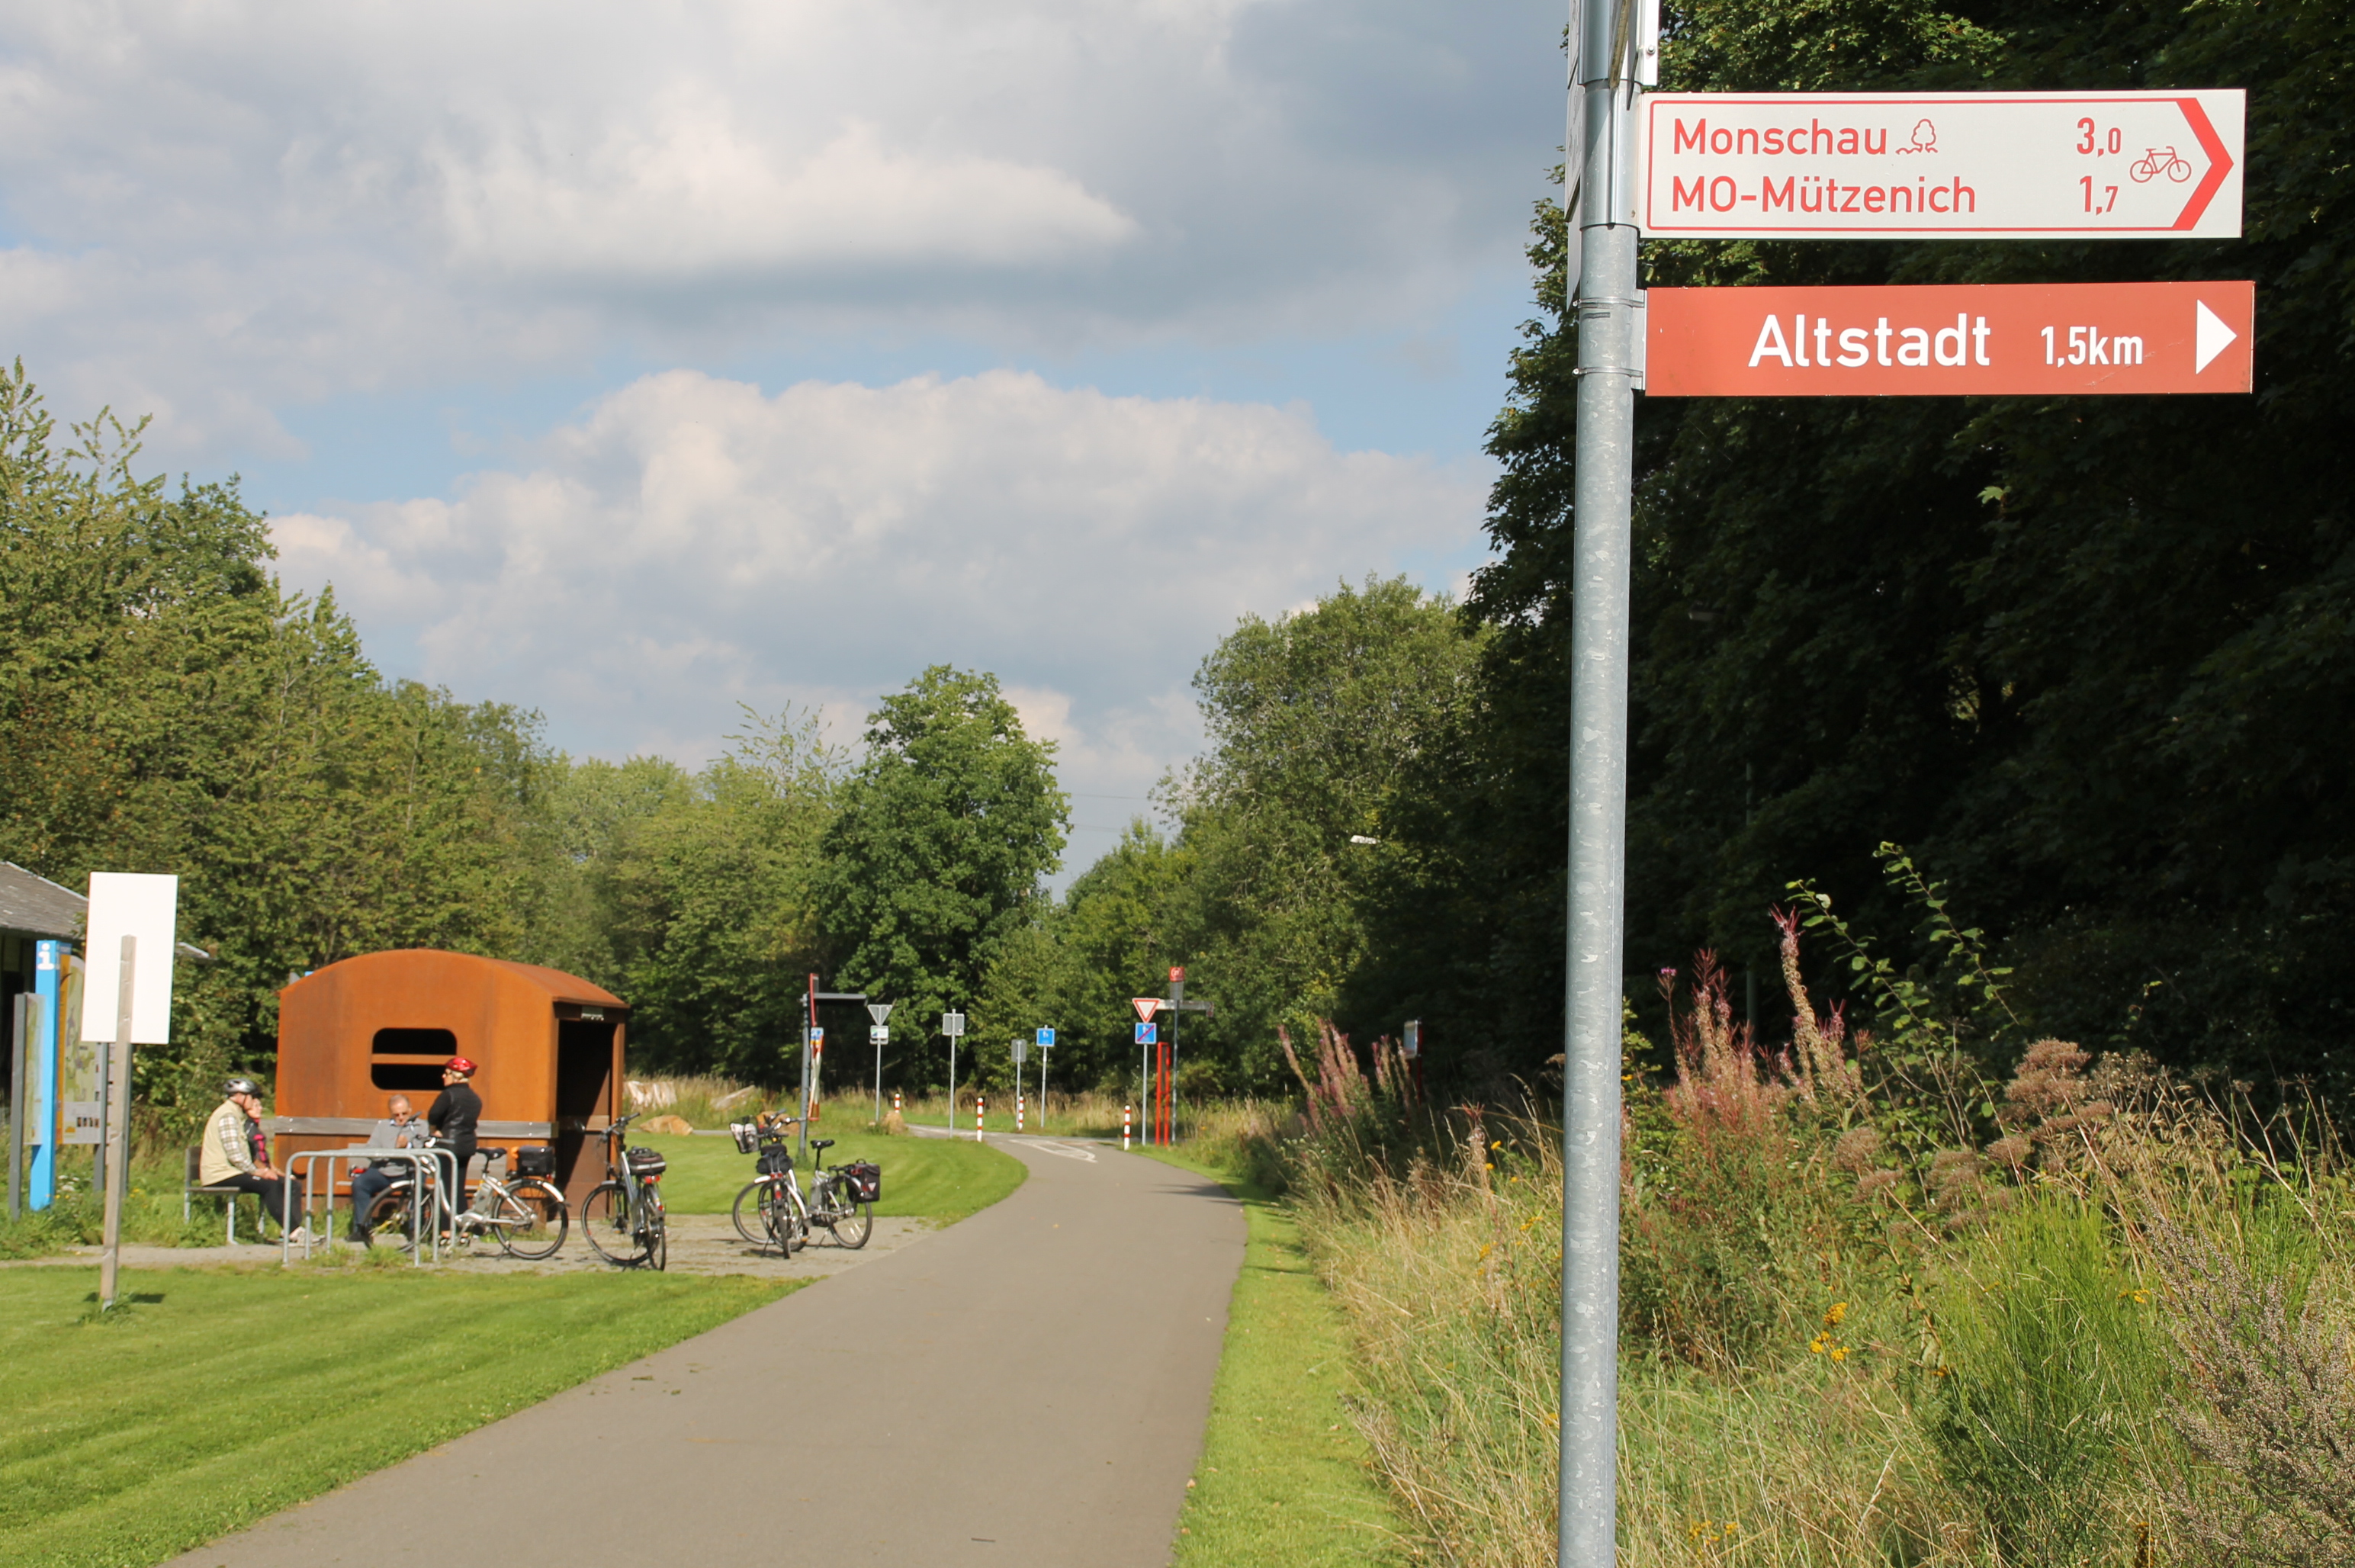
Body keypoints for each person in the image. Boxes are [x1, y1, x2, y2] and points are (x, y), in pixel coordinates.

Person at [200, 1078, 310, 1243]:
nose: (253, 1101)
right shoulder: (228, 1116)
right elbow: (234, 1154)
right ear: (239, 1096)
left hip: (231, 1171)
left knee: (287, 1183)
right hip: (220, 1173)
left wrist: (266, 1170)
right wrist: (257, 1171)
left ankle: (293, 1230)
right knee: (269, 1184)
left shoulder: (236, 1115)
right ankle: (293, 1231)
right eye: (251, 1096)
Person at [345, 1094, 430, 1245]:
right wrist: (391, 1152)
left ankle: (415, 1230)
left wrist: (407, 1147)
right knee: (360, 1184)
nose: (401, 1118)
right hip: (384, 1171)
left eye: (404, 1114)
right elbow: (371, 1150)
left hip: (408, 1172)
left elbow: (422, 1150)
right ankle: (362, 1228)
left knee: (420, 1186)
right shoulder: (383, 1126)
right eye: (396, 1115)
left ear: (410, 1110)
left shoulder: (420, 1126)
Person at [426, 1056, 483, 1219]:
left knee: (445, 1189)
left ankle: (446, 1231)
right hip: (467, 1145)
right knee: (459, 1188)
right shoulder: (474, 1097)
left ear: (456, 1076)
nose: (444, 1076)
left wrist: (435, 1129)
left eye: (447, 1073)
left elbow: (434, 1115)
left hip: (449, 1145)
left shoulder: (448, 1094)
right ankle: (462, 1228)